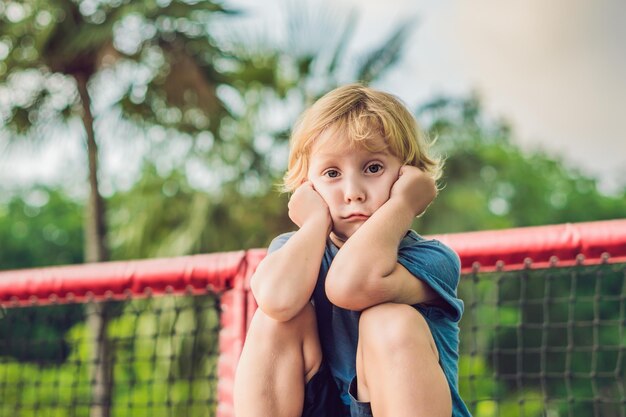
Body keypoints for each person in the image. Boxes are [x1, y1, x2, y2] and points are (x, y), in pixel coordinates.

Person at [234, 83, 471, 417]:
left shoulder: (432, 260)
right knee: (275, 320)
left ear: (407, 174)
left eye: (373, 168)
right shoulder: (293, 251)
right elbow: (275, 298)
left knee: (387, 319)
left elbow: (351, 285)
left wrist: (403, 203)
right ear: (308, 186)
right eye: (331, 173)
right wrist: (315, 223)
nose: (353, 192)